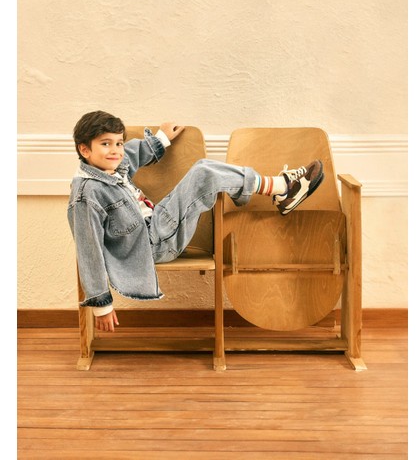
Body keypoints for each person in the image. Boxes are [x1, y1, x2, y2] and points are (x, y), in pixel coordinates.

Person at [68, 111, 324, 333]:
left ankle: (280, 190)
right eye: (105, 144)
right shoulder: (86, 195)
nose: (115, 150)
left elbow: (131, 155)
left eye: (118, 143)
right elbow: (88, 250)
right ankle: (282, 188)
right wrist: (101, 305)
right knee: (203, 172)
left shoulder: (109, 167)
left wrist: (161, 138)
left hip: (157, 226)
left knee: (203, 170)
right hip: (152, 245)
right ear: (84, 150)